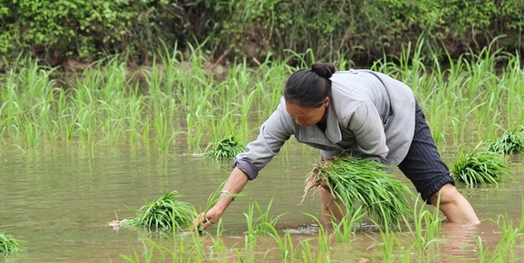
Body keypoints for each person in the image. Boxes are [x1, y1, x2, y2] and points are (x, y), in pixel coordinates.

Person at [196, 62, 479, 230]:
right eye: (293, 116)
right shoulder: (289, 113)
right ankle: (338, 245)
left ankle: (476, 239)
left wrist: (339, 169)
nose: (298, 123)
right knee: (328, 184)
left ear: (326, 104)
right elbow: (251, 160)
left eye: (305, 118)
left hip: (394, 115)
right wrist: (220, 205)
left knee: (439, 192)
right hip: (345, 135)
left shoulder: (354, 107)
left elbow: (376, 155)